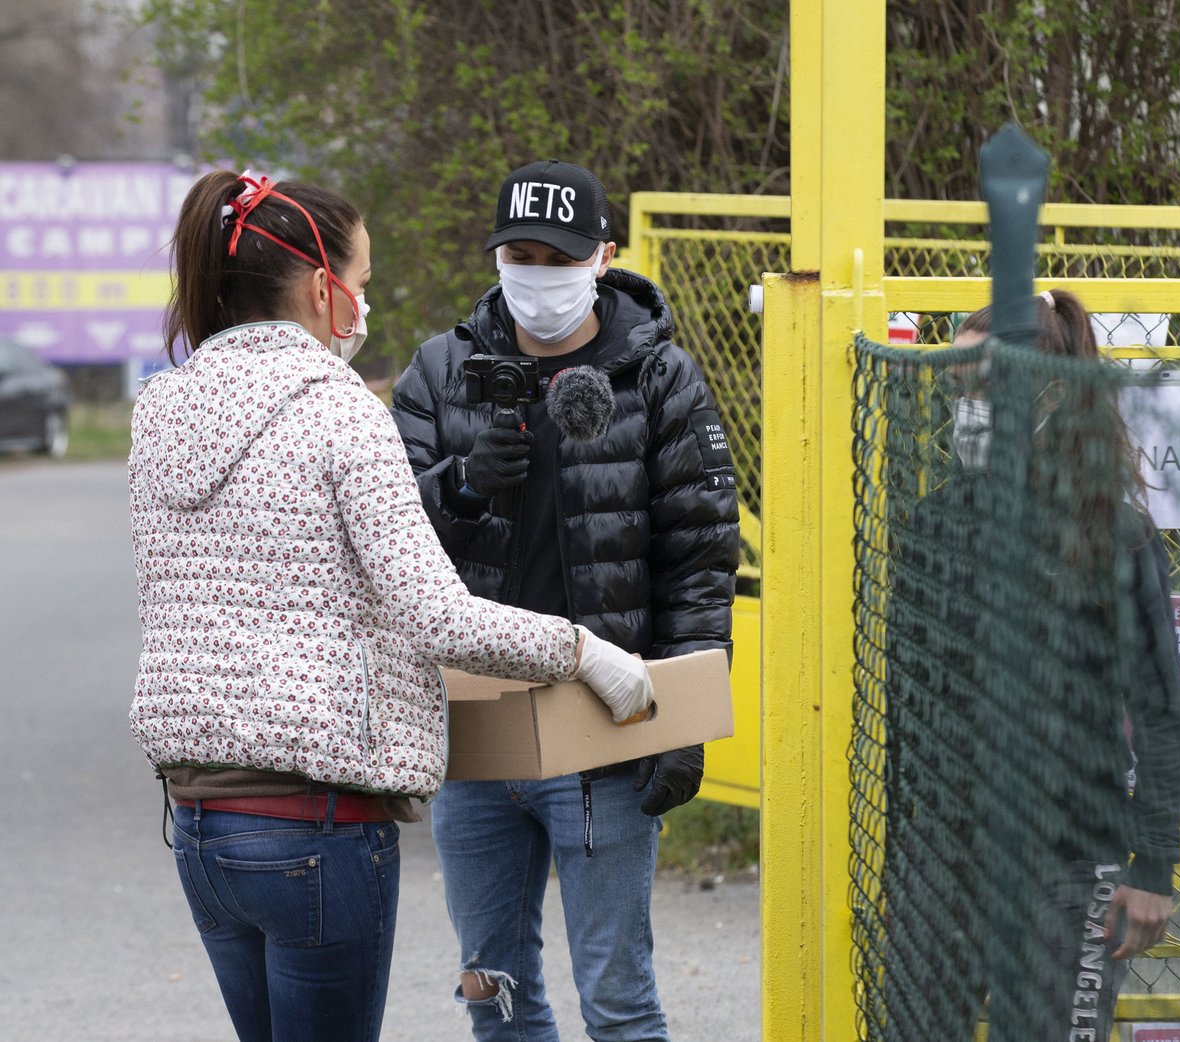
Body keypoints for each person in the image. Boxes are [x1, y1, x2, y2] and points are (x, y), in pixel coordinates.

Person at [128, 169, 656, 1042]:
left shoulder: (161, 409)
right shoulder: (342, 412)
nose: (363, 308)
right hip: (316, 828)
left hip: (197, 825)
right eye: (362, 285)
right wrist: (586, 652)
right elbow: (439, 618)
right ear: (320, 287)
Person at [390, 159, 740, 1041]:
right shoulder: (440, 371)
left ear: (603, 255)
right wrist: (461, 486)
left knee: (619, 1004)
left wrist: (684, 715)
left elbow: (699, 559)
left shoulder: (660, 379)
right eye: (519, 252)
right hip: (476, 731)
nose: (536, 273)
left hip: (609, 725)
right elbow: (384, 539)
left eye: (557, 254)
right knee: (495, 999)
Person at [883, 288, 1180, 1042]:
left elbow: (1160, 710)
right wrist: (899, 858)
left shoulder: (1113, 535)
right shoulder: (934, 525)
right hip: (945, 856)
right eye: (961, 388)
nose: (970, 407)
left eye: (990, 386)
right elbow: (904, 707)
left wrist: (1152, 868)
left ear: (1051, 394)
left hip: (1070, 860)